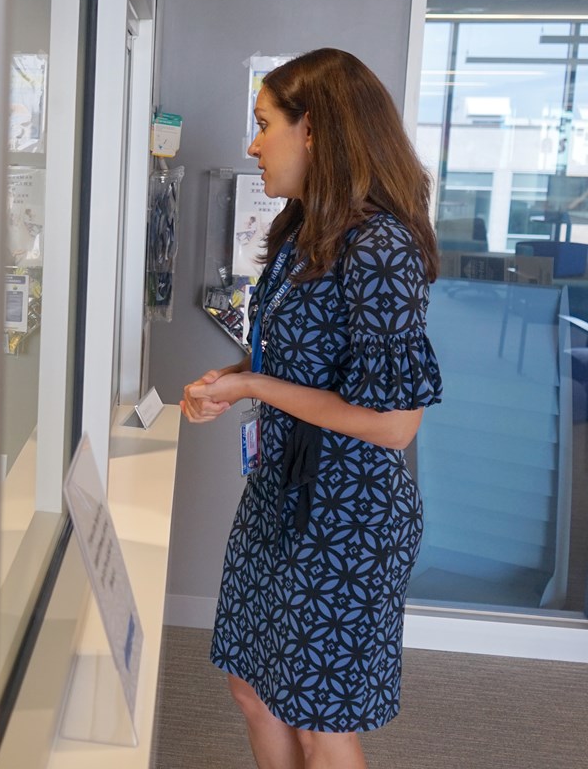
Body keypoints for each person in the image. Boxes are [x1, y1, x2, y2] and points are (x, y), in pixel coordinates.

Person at [181, 48, 443, 768]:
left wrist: (254, 389)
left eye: (264, 124)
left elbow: (394, 424)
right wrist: (233, 377)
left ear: (314, 131)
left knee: (316, 719)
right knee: (253, 688)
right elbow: (301, 363)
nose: (252, 144)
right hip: (282, 493)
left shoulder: (381, 246)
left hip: (346, 518)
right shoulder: (302, 231)